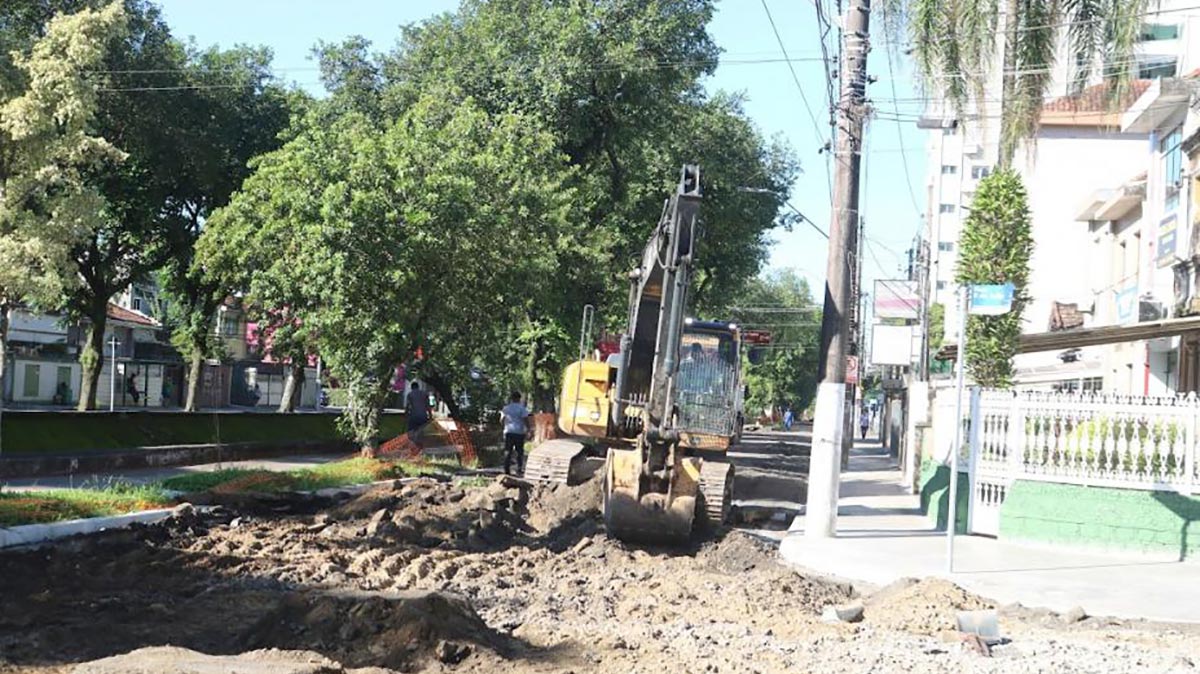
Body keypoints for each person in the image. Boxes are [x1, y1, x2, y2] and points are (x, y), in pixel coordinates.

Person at [500, 391, 530, 476]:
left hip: (508, 431)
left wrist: (504, 426)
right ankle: (519, 469)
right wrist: (528, 429)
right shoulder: (522, 408)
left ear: (511, 398)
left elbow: (501, 420)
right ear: (519, 398)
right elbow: (525, 419)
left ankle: (506, 469)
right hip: (519, 432)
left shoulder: (506, 408)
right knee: (519, 451)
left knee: (507, 451)